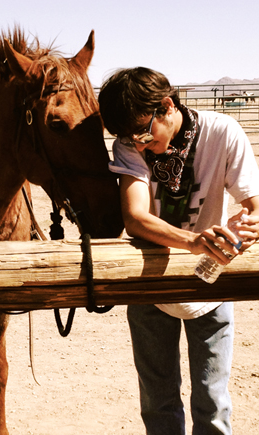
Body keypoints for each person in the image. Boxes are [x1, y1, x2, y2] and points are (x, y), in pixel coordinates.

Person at [98, 67, 259, 435]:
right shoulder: (130, 143)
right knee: (158, 403)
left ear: (167, 107)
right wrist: (192, 241)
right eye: (128, 137)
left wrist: (251, 224)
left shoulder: (223, 133)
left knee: (212, 400)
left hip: (210, 285)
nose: (137, 144)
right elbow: (135, 217)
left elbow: (255, 204)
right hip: (149, 286)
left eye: (142, 132)